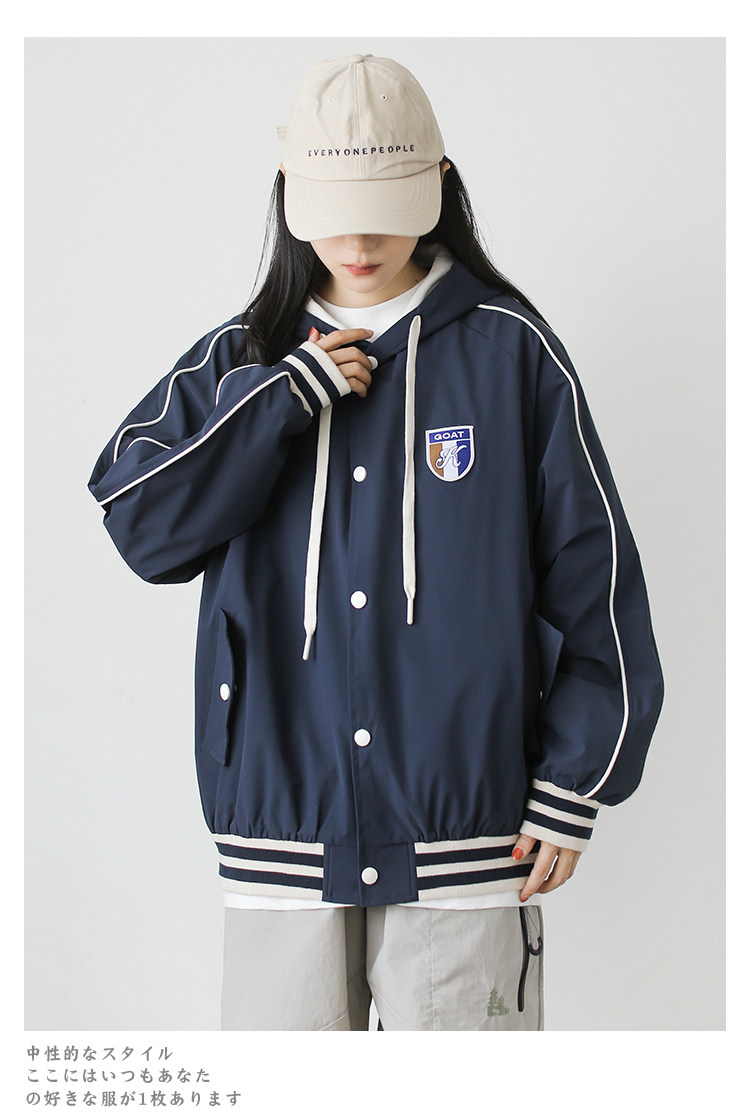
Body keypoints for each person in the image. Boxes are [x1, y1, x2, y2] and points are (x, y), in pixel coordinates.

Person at [87, 53, 665, 1031]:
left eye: (386, 207)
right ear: (288, 194)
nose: (357, 241)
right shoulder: (244, 358)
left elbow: (593, 577)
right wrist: (278, 403)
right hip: (283, 837)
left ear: (440, 185)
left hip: (469, 840)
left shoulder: (510, 352)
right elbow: (141, 525)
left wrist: (578, 779)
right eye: (333, 209)